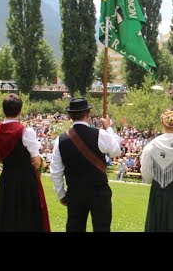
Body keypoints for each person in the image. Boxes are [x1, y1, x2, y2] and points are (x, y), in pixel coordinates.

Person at [49, 97, 121, 232]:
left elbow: (55, 171)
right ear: (88, 114)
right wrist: (109, 129)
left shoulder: (61, 139)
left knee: (74, 228)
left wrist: (61, 194)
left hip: (75, 192)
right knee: (102, 228)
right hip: (99, 191)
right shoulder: (100, 134)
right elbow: (116, 150)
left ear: (70, 116)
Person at [0, 93, 50, 232]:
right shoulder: (26, 132)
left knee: (7, 214)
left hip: (7, 178)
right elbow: (36, 161)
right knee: (27, 215)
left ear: (3, 110)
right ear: (20, 111)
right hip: (25, 179)